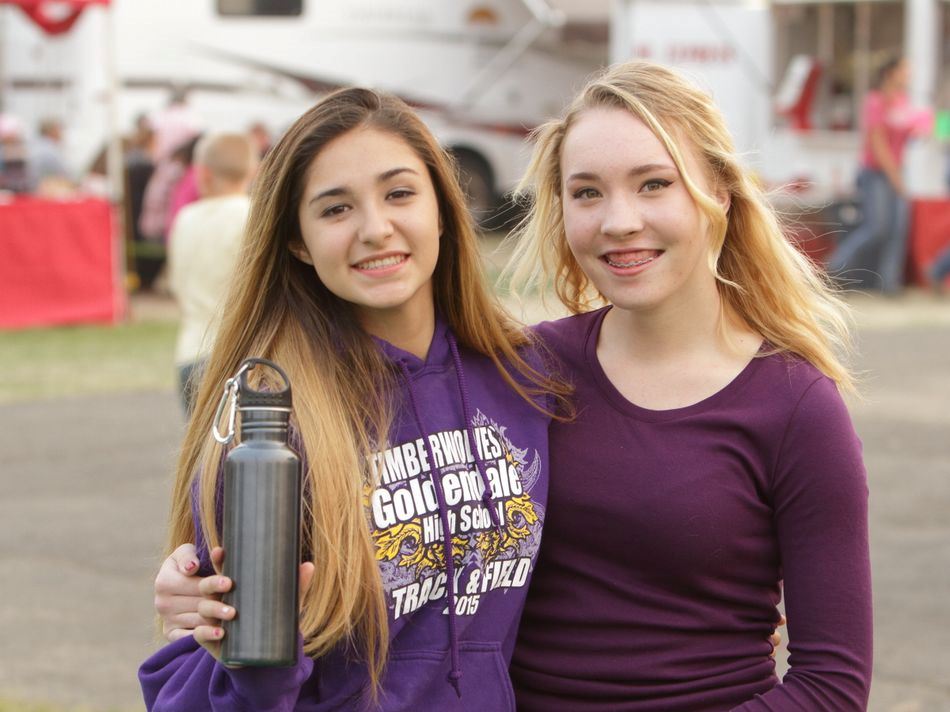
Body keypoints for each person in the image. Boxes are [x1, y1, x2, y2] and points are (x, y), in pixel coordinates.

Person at [138, 87, 569, 711]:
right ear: (298, 243)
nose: (376, 229)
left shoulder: (526, 375)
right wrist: (259, 663)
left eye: (399, 194)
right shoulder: (272, 434)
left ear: (444, 208)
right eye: (336, 209)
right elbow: (205, 681)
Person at [503, 60, 872, 710]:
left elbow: (831, 687)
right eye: (587, 193)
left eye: (653, 185)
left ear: (719, 193)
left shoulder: (795, 405)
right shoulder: (526, 369)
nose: (618, 221)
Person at [167, 132, 258, 414]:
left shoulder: (185, 219)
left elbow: (177, 286)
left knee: (203, 454)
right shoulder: (253, 216)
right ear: (253, 171)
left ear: (203, 173)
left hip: (191, 352)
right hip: (241, 354)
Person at [828, 55, 932, 294]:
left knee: (898, 230)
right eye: (905, 70)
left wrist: (927, 128)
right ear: (891, 73)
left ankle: (889, 284)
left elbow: (917, 130)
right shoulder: (875, 102)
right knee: (877, 228)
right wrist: (897, 179)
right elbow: (878, 144)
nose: (909, 75)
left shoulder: (904, 103)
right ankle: (834, 267)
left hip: (897, 170)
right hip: (875, 172)